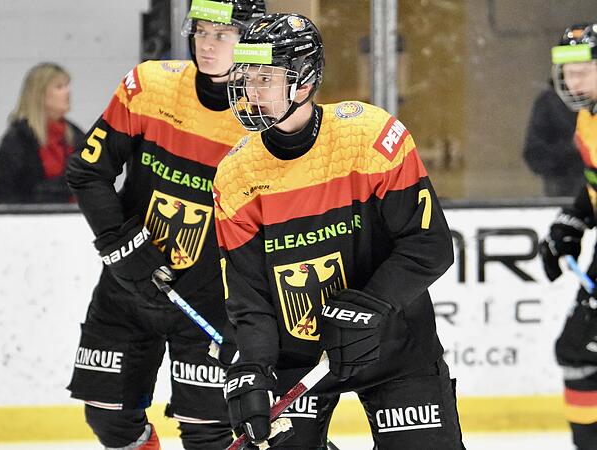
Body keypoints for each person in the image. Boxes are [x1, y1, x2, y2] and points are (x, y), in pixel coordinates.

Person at [214, 14, 465, 449]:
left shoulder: (370, 138)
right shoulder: (235, 175)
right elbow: (249, 299)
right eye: (246, 76)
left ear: (305, 82)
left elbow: (430, 244)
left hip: (395, 345)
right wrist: (252, 367)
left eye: (266, 77)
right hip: (298, 359)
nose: (251, 91)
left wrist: (368, 306)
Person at [65, 1, 266, 449]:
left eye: (223, 34)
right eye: (201, 30)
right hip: (129, 286)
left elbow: (277, 225)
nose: (207, 44)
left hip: (212, 302)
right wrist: (121, 246)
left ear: (250, 39)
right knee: (108, 419)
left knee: (207, 433)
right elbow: (87, 171)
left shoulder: (264, 118)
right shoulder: (149, 86)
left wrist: (258, 314)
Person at [539, 23, 597, 450]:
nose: (572, 80)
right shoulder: (586, 117)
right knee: (578, 352)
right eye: (567, 71)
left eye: (582, 70)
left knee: (579, 350)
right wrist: (573, 219)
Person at [0, 62, 85, 204]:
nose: (68, 91)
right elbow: (3, 193)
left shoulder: (77, 136)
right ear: (39, 94)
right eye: (59, 87)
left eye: (67, 86)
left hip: (75, 218)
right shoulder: (18, 138)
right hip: (30, 220)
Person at [523, 26, 590, 198]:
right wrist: (573, 148)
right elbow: (535, 156)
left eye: (583, 73)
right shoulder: (549, 103)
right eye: (569, 73)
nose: (575, 83)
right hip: (565, 195)